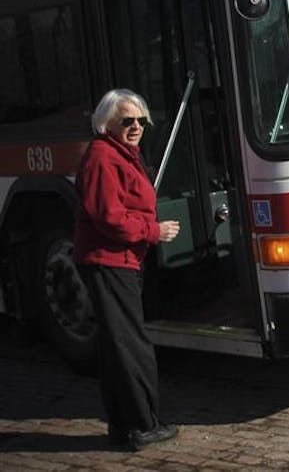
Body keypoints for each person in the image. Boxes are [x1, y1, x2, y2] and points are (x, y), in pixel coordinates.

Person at [74, 89, 180, 451]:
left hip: (118, 261)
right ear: (108, 123)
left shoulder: (121, 155)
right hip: (111, 261)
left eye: (140, 120)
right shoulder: (104, 157)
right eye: (127, 120)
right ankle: (142, 425)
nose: (136, 126)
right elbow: (109, 217)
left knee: (115, 346)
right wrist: (154, 231)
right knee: (130, 345)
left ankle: (123, 426)